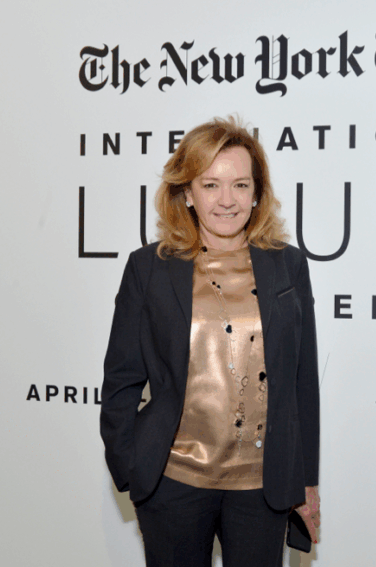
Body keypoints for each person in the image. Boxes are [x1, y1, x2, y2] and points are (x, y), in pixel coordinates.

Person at [100, 116, 320, 567]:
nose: (226, 200)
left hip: (263, 490)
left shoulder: (288, 266)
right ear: (187, 192)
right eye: (211, 185)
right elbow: (121, 378)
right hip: (173, 483)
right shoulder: (149, 267)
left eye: (240, 185)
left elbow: (302, 382)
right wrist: (132, 469)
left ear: (256, 193)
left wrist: (305, 480)